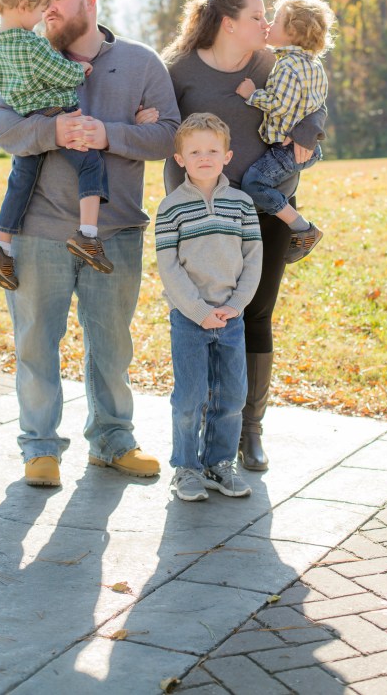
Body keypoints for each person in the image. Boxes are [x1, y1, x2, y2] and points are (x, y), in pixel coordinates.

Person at [0, 0, 180, 486]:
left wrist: (108, 134)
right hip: (38, 230)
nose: (48, 11)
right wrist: (54, 129)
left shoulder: (141, 62)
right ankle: (40, 448)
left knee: (112, 346)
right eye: (43, 4)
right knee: (34, 343)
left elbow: (169, 136)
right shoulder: (28, 56)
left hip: (114, 231)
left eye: (57, 2)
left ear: (90, 2)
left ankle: (113, 442)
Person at [163, 0, 326, 472]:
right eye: (258, 16)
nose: (267, 24)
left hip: (265, 210)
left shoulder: (275, 63)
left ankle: (248, 432)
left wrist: (310, 127)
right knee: (202, 316)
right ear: (229, 23)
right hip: (202, 217)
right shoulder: (178, 71)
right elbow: (162, 134)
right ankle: (207, 431)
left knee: (255, 314)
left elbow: (314, 98)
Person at [0, 0, 113, 292]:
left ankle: (3, 247)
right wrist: (79, 71)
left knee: (20, 181)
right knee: (90, 163)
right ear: (25, 6)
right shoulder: (34, 45)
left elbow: (3, 84)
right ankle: (87, 234)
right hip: (56, 111)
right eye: (41, 9)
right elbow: (59, 72)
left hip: (25, 118)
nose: (43, 16)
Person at [155, 113, 263, 502]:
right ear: (180, 158)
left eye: (212, 150)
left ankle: (220, 464)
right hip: (189, 319)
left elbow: (254, 259)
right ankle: (186, 468)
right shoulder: (170, 208)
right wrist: (199, 311)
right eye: (195, 151)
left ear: (228, 155)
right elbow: (168, 267)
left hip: (232, 318)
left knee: (231, 396)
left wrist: (236, 305)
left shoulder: (242, 204)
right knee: (190, 397)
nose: (205, 157)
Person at [237, 0, 336, 263]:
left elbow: (279, 104)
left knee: (254, 183)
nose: (268, 25)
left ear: (292, 33)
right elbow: (316, 104)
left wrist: (251, 94)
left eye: (276, 21)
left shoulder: (287, 66)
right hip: (299, 148)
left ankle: (302, 228)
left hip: (287, 150)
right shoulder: (313, 65)